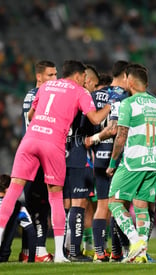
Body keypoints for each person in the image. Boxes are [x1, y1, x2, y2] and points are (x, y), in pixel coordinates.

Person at [0, 60, 112, 263]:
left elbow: (30, 114)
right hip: (52, 144)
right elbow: (96, 119)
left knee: (13, 191)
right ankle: (61, 255)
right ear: (79, 76)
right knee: (55, 198)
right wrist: (110, 105)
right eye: (84, 78)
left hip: (29, 140)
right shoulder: (80, 91)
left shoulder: (45, 86)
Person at [106, 65, 156, 263]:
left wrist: (113, 162)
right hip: (152, 163)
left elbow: (121, 136)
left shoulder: (128, 104)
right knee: (141, 207)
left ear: (129, 81)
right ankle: (140, 254)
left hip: (133, 162)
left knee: (114, 202)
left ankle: (135, 241)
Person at [85, 60, 130, 262]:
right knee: (117, 205)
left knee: (102, 206)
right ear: (125, 75)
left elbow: (87, 125)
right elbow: (114, 128)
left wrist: (93, 142)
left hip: (97, 157)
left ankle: (98, 252)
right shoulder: (121, 95)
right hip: (114, 155)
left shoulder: (93, 96)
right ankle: (116, 251)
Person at [19, 60, 57, 263]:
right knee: (41, 207)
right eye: (50, 75)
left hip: (29, 156)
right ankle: (40, 251)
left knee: (33, 206)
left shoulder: (29, 96)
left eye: (55, 75)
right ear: (39, 77)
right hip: (39, 158)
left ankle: (27, 251)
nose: (55, 79)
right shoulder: (42, 96)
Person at [63, 64, 99, 262]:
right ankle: (75, 251)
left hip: (60, 154)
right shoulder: (83, 95)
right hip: (78, 154)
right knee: (79, 204)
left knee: (65, 204)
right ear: (86, 80)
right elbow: (90, 129)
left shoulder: (61, 94)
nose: (93, 90)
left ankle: (64, 249)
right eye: (93, 85)